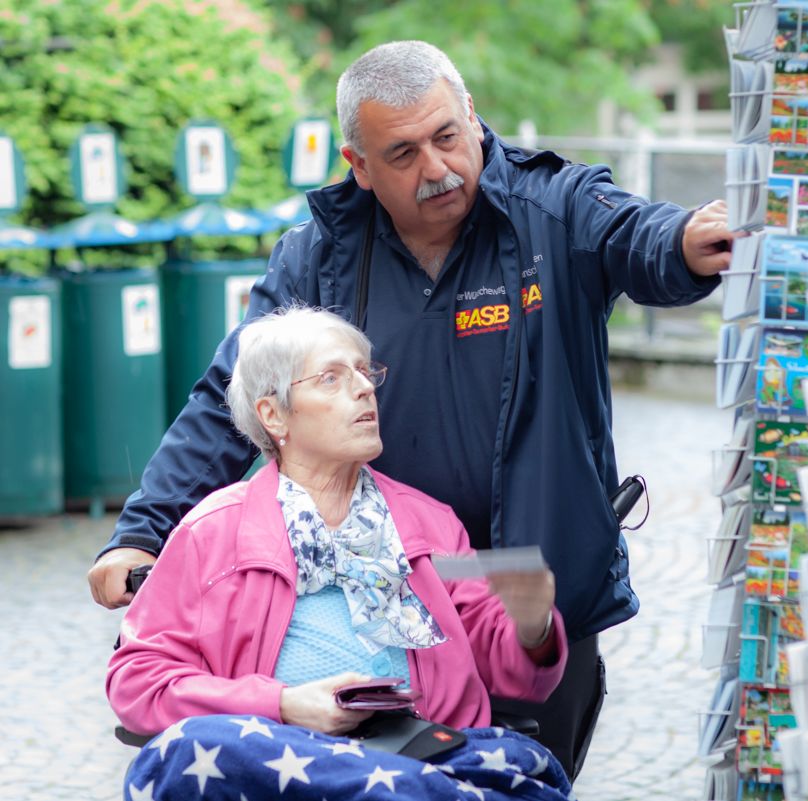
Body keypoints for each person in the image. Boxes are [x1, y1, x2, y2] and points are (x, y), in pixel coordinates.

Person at [89, 40, 740, 776]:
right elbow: (230, 396)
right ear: (358, 166)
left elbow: (637, 236)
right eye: (401, 154)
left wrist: (685, 244)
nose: (435, 169)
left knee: (516, 774)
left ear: (472, 116)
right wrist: (142, 532)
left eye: (447, 137)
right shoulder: (319, 257)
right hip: (406, 574)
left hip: (526, 582)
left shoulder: (550, 210)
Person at [109, 307, 573, 801]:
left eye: (363, 371)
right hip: (281, 761)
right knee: (190, 748)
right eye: (331, 377)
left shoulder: (430, 523)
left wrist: (532, 626)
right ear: (273, 415)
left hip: (425, 753)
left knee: (525, 762)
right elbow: (138, 682)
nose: (363, 387)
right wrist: (283, 705)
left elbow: (519, 676)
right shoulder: (212, 533)